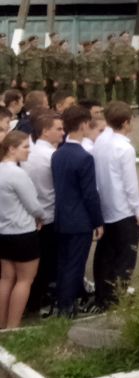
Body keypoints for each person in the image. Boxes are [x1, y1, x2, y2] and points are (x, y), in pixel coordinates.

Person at [50, 105, 104, 319]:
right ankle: (67, 307)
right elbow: (90, 194)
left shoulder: (58, 154)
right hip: (79, 219)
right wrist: (98, 221)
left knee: (63, 263)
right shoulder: (84, 157)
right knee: (75, 265)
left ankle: (61, 302)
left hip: (62, 216)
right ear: (83, 125)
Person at [92, 102, 139, 310]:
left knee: (105, 255)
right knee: (125, 258)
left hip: (105, 206)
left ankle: (102, 296)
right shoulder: (124, 148)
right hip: (122, 210)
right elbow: (130, 185)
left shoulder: (102, 140)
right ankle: (116, 299)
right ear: (125, 123)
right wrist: (138, 212)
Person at [0, 131, 43, 329]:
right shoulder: (17, 174)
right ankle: (13, 327)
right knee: (25, 280)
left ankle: (2, 324)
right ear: (11, 148)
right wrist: (41, 215)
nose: (28, 151)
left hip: (3, 233)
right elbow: (33, 205)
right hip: (23, 233)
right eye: (25, 147)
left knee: (7, 278)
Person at [24, 110, 63, 316]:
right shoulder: (51, 156)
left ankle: (32, 302)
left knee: (37, 265)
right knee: (46, 265)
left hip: (33, 216)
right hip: (47, 215)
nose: (62, 133)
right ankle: (36, 304)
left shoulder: (30, 152)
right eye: (58, 129)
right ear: (45, 132)